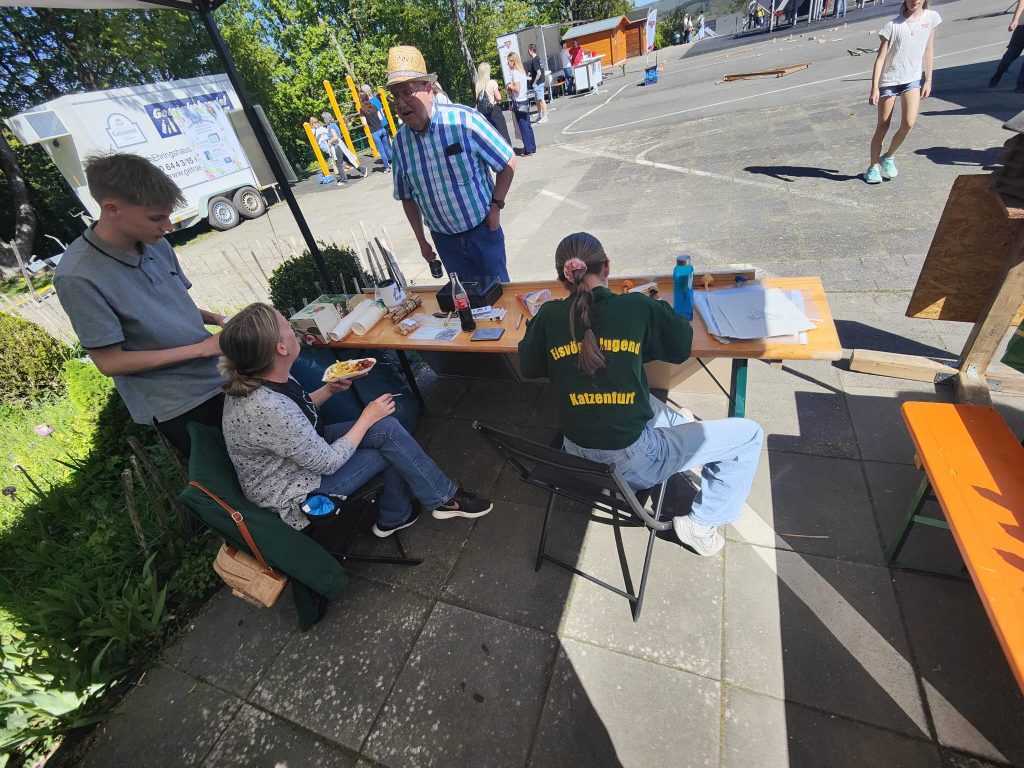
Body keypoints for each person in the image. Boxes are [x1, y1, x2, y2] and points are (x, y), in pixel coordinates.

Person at [517, 233, 764, 556]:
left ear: (561, 277)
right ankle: (701, 524)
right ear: (607, 267)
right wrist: (654, 313)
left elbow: (529, 365)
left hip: (574, 454)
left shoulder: (548, 315)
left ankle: (679, 428)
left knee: (637, 395)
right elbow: (680, 346)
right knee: (749, 436)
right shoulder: (636, 306)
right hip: (634, 463)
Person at [219, 303, 493, 538]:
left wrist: (328, 390)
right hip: (295, 492)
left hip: (301, 454)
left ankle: (407, 510)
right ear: (281, 347)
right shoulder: (265, 406)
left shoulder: (265, 375)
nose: (293, 328)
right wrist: (366, 417)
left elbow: (296, 416)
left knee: (385, 428)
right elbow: (327, 461)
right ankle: (418, 507)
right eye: (287, 327)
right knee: (388, 445)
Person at [53, 153, 226, 457]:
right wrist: (202, 348)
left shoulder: (155, 243)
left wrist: (218, 319)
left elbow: (171, 307)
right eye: (156, 218)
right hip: (180, 404)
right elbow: (110, 362)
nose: (168, 227)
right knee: (234, 485)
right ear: (112, 209)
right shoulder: (77, 276)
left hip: (219, 376)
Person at [387, 45, 516, 282]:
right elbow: (406, 196)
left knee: (500, 301)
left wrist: (496, 207)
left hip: (483, 232)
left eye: (407, 92)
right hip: (445, 243)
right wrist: (422, 241)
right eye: (395, 96)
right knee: (466, 303)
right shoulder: (400, 145)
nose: (401, 103)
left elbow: (507, 160)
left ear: (428, 88)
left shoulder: (463, 120)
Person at [864, 0, 940, 184]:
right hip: (889, 81)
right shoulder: (892, 26)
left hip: (912, 79)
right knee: (883, 126)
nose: (914, 1)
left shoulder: (931, 18)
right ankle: (873, 167)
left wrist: (928, 79)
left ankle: (888, 157)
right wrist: (875, 87)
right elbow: (880, 59)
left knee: (908, 123)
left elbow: (928, 50)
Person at [318, 112, 368, 183]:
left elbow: (335, 137)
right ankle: (363, 170)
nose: (323, 120)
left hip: (337, 146)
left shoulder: (330, 126)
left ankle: (344, 180)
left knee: (339, 164)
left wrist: (329, 142)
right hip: (339, 145)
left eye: (323, 118)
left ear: (326, 119)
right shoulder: (334, 124)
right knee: (348, 160)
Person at [506, 52, 537, 157]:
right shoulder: (522, 71)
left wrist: (510, 86)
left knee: (523, 126)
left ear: (513, 61)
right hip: (525, 99)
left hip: (519, 101)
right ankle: (532, 147)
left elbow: (517, 88)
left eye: (508, 62)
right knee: (528, 125)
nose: (507, 64)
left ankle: (528, 149)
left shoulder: (515, 73)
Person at [474, 61, 512, 147]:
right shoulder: (492, 82)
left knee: (492, 135)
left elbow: (477, 99)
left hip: (483, 112)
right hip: (494, 110)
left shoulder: (478, 84)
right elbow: (498, 98)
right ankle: (507, 152)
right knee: (502, 132)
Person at [989, 0, 1024, 92]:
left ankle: (998, 75)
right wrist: (1015, 20)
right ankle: (1019, 85)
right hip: (1022, 26)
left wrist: (1015, 20)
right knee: (1011, 54)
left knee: (1010, 55)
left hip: (1021, 27)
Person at [359, 93, 392, 173]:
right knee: (387, 148)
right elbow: (381, 117)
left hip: (374, 132)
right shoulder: (373, 105)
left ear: (360, 99)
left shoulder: (362, 109)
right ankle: (396, 163)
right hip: (382, 129)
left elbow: (364, 123)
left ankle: (387, 168)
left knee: (382, 151)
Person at [526, 44, 548, 123]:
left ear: (531, 50)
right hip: (540, 82)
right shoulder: (537, 58)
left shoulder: (535, 60)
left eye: (528, 50)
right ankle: (540, 115)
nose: (528, 52)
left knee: (541, 99)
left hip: (538, 83)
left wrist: (534, 82)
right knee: (537, 100)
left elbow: (539, 73)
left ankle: (545, 115)